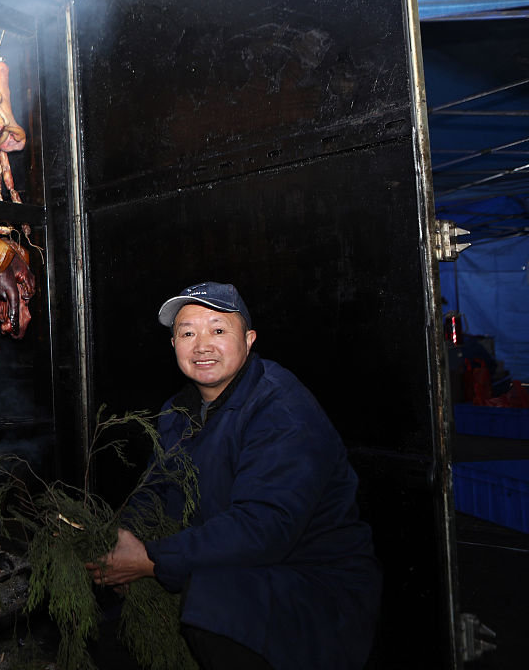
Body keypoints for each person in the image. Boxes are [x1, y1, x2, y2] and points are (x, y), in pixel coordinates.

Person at [88, 281, 381, 670]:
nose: (202, 345)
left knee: (212, 599)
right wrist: (119, 542)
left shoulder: (280, 408)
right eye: (188, 332)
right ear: (173, 345)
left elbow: (264, 528)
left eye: (218, 330)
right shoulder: (178, 411)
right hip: (239, 564)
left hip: (311, 584)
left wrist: (151, 560)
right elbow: (156, 492)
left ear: (249, 339)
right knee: (109, 635)